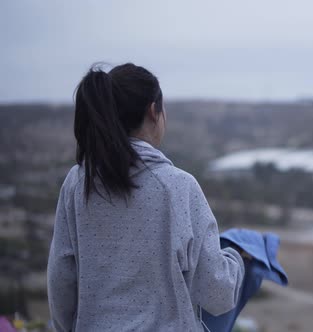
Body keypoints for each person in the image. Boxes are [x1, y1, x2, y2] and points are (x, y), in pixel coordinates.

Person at [47, 63, 245, 332]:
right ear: (154, 111)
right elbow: (218, 292)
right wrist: (238, 259)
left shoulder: (77, 183)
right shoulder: (179, 187)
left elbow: (61, 280)